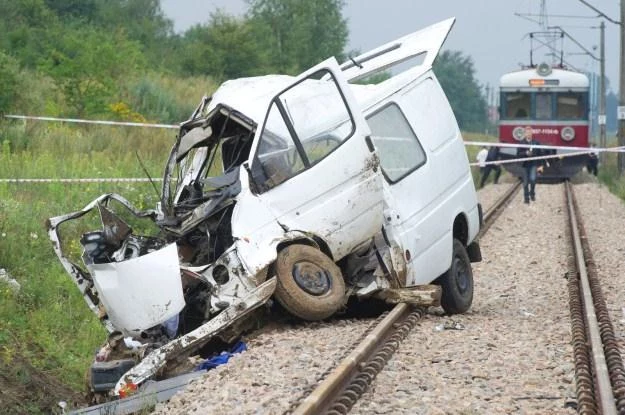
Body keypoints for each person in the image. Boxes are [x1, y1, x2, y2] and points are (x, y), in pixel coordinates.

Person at [517, 126, 548, 204]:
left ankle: (532, 193)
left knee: (533, 180)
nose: (528, 134)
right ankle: (526, 198)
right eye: (527, 132)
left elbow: (540, 154)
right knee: (525, 182)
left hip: (533, 164)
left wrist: (541, 165)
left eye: (530, 132)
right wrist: (526, 153)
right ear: (525, 133)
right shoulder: (521, 143)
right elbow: (518, 154)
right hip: (524, 165)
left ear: (532, 133)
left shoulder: (536, 142)